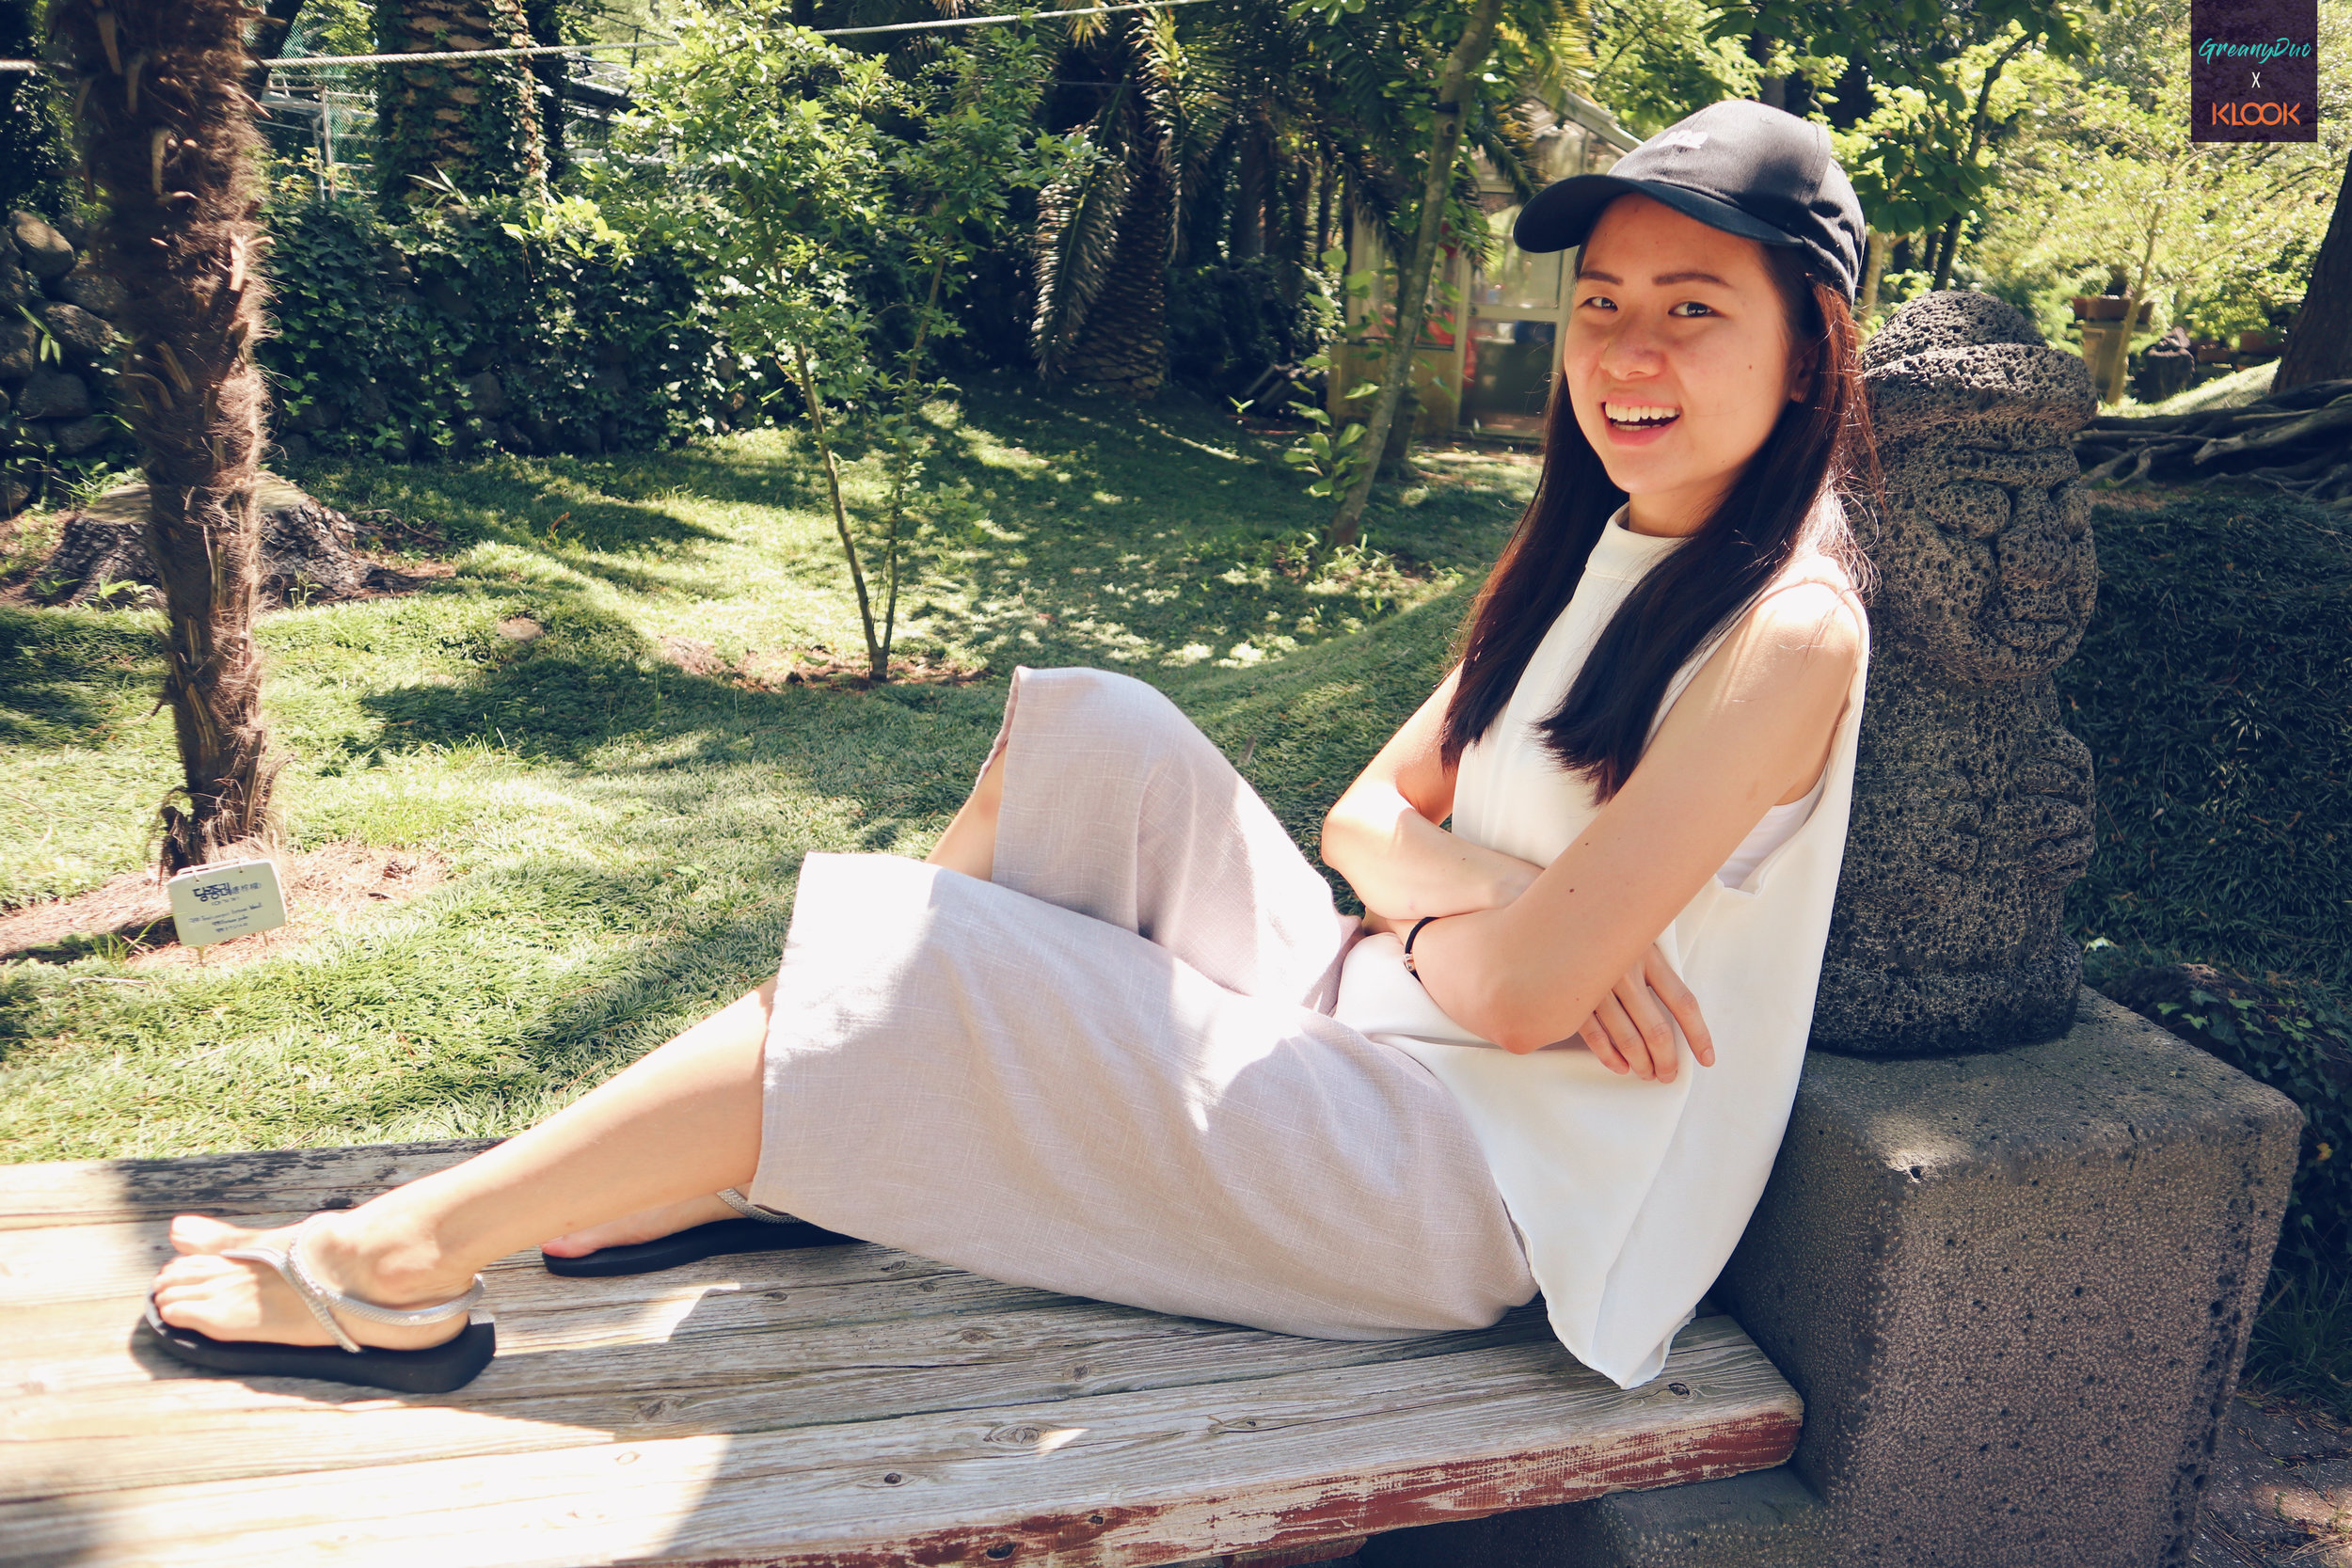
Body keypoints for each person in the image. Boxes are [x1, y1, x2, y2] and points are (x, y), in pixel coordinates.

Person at [142, 99, 1876, 1396]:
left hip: (1454, 1178)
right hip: (1377, 1008)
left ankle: (397, 1269)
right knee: (1098, 732)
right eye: (1603, 302)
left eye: (1696, 309)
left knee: (927, 952)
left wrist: (1482, 942)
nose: (1626, 350)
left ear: (1809, 354)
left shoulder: (1785, 629)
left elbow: (1514, 1011)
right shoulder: (1602, 543)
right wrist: (1506, 897)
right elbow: (1367, 818)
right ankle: (791, 1142)